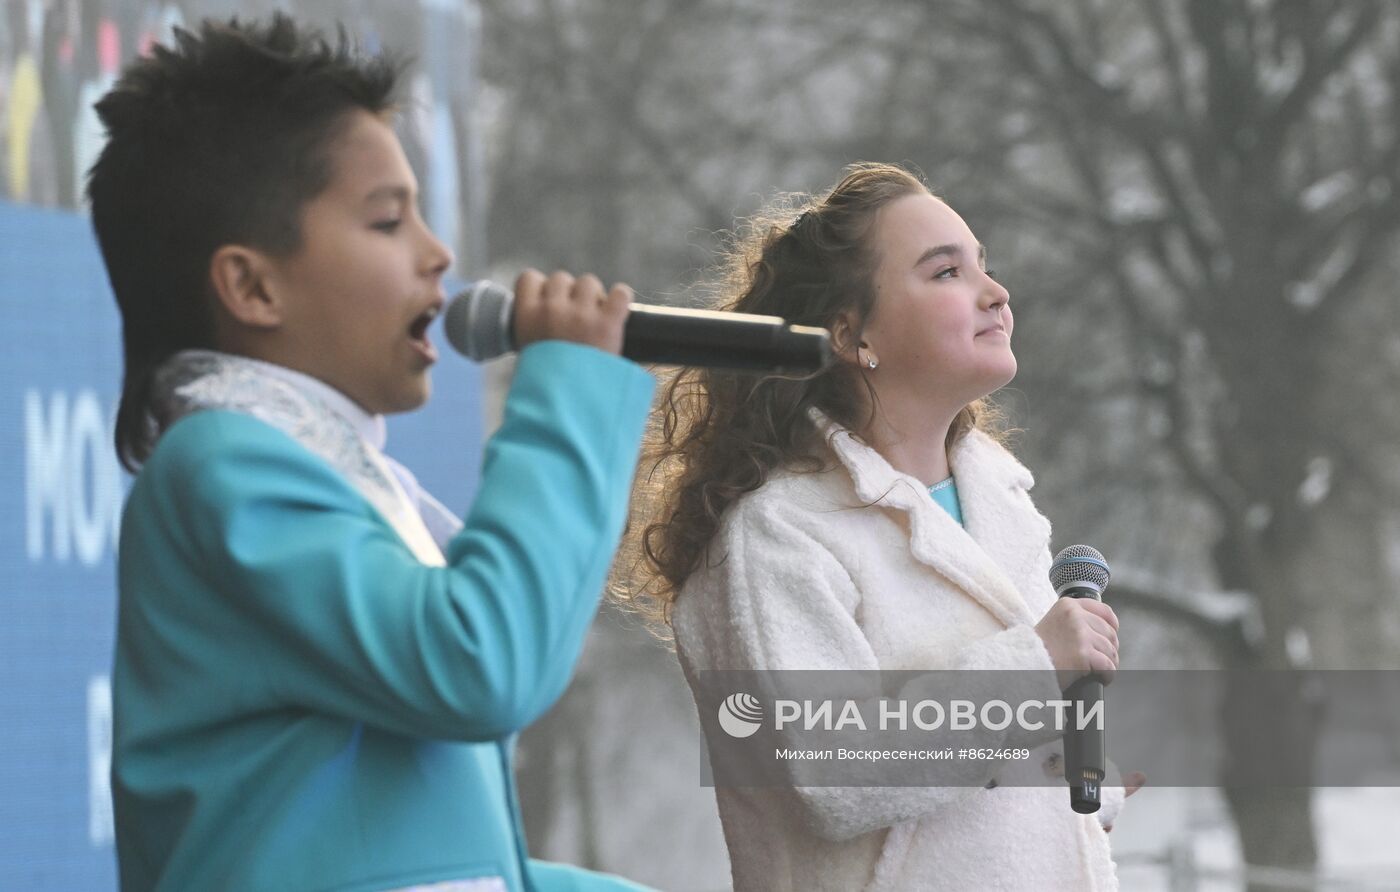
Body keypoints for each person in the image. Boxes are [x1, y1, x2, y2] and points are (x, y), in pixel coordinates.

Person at [90, 16, 655, 892]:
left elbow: (410, 851)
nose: (439, 255)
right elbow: (481, 661)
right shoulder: (225, 469)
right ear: (251, 285)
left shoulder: (337, 476)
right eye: (389, 221)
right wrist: (570, 392)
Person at [621, 163, 1138, 890]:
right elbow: (834, 773)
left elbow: (992, 754)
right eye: (946, 272)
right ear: (851, 333)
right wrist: (1035, 669)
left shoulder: (1001, 500)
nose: (996, 293)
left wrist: (1090, 788)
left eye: (983, 266)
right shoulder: (777, 535)